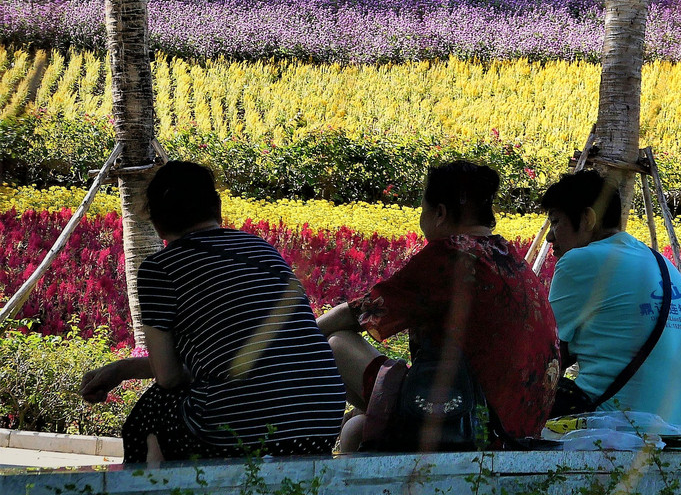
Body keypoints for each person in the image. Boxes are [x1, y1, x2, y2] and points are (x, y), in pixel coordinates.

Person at [78, 161, 346, 465]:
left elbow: (168, 378)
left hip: (244, 430)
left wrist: (122, 370)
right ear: (216, 207)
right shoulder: (261, 249)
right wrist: (122, 370)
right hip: (321, 419)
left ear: (156, 220)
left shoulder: (160, 269)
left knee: (152, 410)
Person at [318, 161, 559, 452]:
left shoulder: (451, 254)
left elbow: (362, 311)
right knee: (359, 425)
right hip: (519, 427)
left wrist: (298, 333)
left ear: (440, 213)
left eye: (423, 211)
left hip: (469, 422)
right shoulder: (507, 256)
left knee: (335, 342)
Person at [542, 169, 681, 442]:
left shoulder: (580, 261)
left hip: (621, 427)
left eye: (556, 222)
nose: (550, 237)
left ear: (587, 219)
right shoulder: (659, 262)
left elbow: (547, 354)